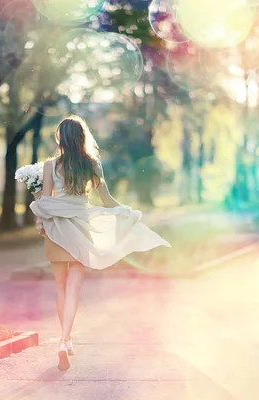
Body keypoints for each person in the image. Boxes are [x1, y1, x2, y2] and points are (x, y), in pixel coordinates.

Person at [30, 115, 170, 371]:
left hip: (57, 230)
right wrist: (127, 211)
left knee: (60, 288)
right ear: (82, 137)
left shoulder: (50, 166)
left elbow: (46, 200)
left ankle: (64, 341)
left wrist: (35, 195)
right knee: (74, 287)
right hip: (82, 228)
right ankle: (64, 340)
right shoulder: (92, 164)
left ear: (60, 137)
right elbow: (106, 200)